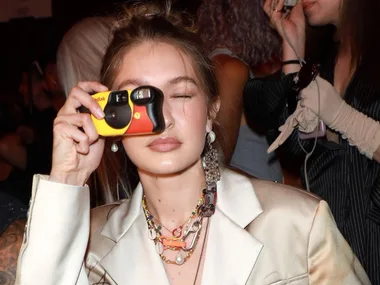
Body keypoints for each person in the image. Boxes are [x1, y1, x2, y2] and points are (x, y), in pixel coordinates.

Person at [16, 2, 370, 284]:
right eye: (141, 100)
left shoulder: (297, 224)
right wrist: (66, 178)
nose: (164, 118)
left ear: (212, 110)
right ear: (108, 116)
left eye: (182, 93)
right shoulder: (86, 242)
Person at [243, 0, 380, 283]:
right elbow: (298, 151)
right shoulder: (323, 61)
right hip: (333, 254)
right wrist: (292, 48)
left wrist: (342, 116)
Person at [196, 0, 283, 182]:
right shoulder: (230, 69)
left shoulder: (227, 65)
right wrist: (275, 192)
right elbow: (214, 162)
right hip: (249, 203)